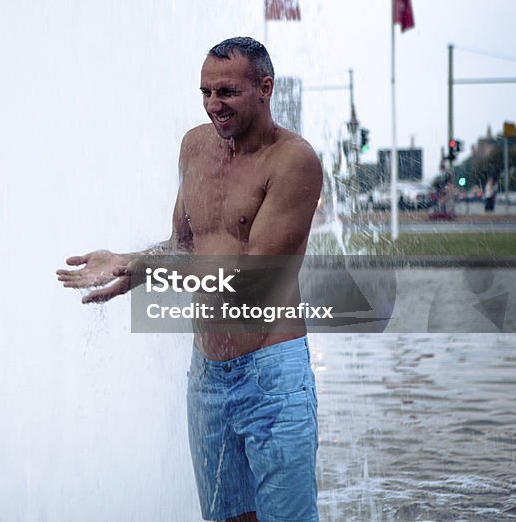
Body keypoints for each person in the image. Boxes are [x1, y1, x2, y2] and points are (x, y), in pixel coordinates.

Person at [57, 37, 323, 522]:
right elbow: (184, 247)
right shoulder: (195, 146)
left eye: (227, 92)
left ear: (265, 88)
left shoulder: (293, 161)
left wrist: (140, 266)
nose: (213, 105)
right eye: (205, 92)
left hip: (272, 374)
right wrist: (131, 267)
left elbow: (254, 280)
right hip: (207, 376)